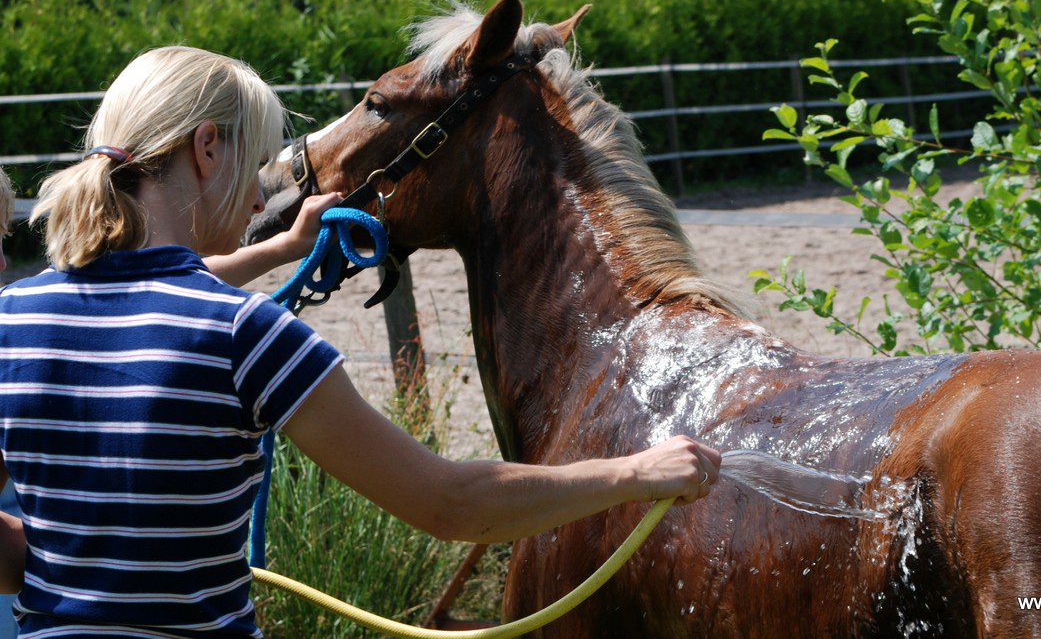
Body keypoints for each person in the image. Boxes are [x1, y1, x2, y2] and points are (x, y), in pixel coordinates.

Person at [0, 46, 721, 638]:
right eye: (253, 167)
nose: (259, 199)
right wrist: (638, 474)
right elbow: (448, 504)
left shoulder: (13, 320)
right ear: (207, 149)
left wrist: (85, 569)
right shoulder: (243, 335)